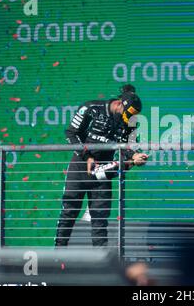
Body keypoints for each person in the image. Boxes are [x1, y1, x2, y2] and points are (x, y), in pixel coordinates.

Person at [55, 84, 148, 247]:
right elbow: (71, 133)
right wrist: (87, 157)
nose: (129, 119)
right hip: (79, 168)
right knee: (69, 213)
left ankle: (102, 264)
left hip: (102, 175)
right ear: (119, 104)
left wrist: (135, 155)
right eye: (127, 114)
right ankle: (57, 257)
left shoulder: (129, 122)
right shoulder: (91, 108)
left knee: (99, 220)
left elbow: (128, 146)